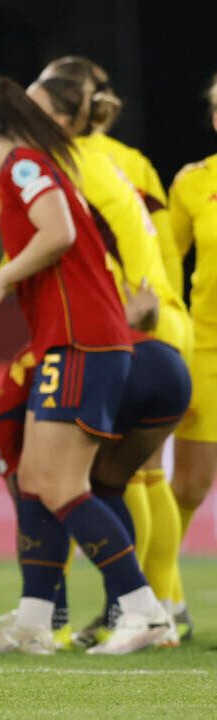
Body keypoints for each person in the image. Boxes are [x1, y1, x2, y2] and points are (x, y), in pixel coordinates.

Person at [0, 76, 170, 655]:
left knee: (57, 483)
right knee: (35, 481)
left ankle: (144, 610)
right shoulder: (30, 170)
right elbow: (0, 217)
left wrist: (0, 278)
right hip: (72, 342)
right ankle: (35, 623)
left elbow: (60, 232)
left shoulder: (22, 164)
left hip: (81, 342)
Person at [23, 70, 191, 645]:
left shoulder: (64, 164)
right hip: (165, 314)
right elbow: (162, 242)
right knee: (143, 477)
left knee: (100, 479)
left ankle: (132, 609)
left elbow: (69, 242)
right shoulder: (127, 159)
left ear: (67, 114)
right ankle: (164, 603)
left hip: (128, 321)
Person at [165, 72, 217, 640]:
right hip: (208, 348)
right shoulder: (193, 184)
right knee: (188, 488)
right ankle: (162, 597)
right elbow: (165, 260)